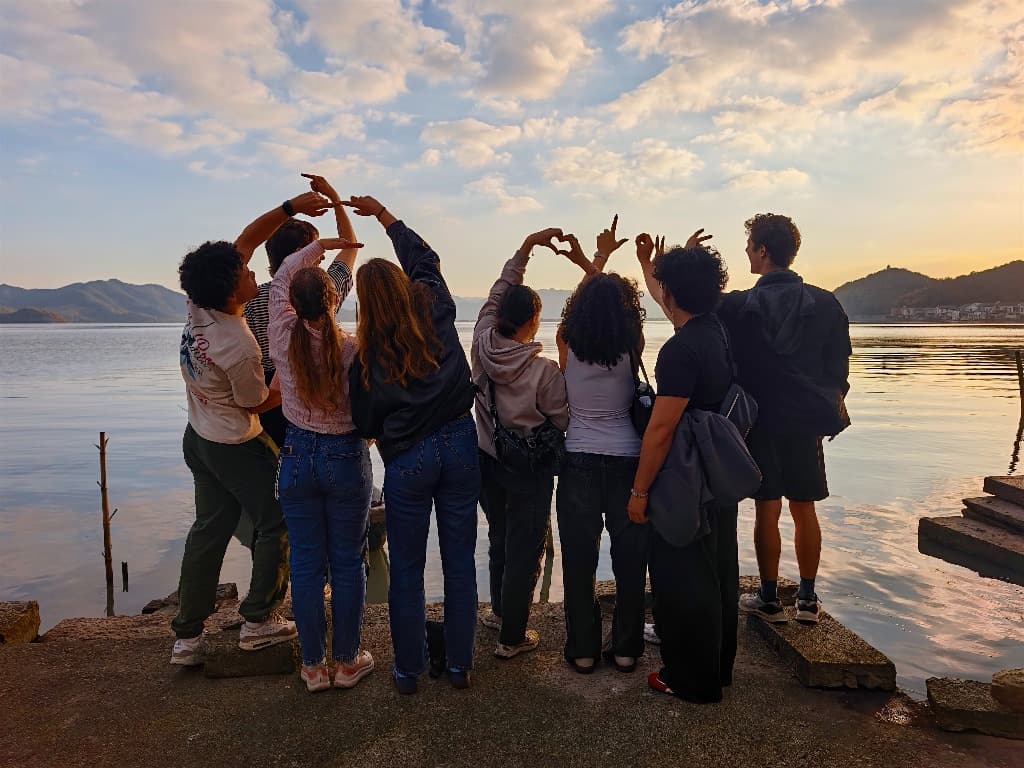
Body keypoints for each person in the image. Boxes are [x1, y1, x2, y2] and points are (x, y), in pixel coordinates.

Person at [171, 190, 335, 666]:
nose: (252, 273)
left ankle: (187, 636)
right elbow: (258, 402)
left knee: (209, 530)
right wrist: (289, 368)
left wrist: (289, 208)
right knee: (278, 520)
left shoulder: (199, 307)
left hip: (198, 438)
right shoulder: (238, 345)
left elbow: (245, 239)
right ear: (230, 293)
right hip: (237, 443)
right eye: (244, 274)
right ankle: (259, 620)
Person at [344, 195, 479, 694]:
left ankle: (408, 671)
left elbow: (364, 422)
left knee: (405, 568)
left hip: (407, 460)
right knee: (460, 562)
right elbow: (426, 258)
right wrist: (384, 216)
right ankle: (460, 665)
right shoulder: (436, 305)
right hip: (460, 443)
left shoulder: (366, 356)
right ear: (403, 285)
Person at [266, 174, 373, 693]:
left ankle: (312, 667)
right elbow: (350, 254)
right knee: (348, 562)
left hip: (296, 454)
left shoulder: (280, 331)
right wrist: (335, 214)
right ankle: (347, 663)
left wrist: (316, 245)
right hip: (345, 456)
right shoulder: (353, 348)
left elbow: (284, 275)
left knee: (306, 563)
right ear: (335, 298)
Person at [717, 214, 851, 624]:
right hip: (807, 420)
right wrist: (824, 405)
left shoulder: (738, 305)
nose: (746, 252)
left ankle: (770, 598)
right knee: (804, 506)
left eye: (749, 246)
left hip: (759, 420)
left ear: (762, 250)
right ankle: (807, 600)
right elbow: (839, 371)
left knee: (767, 508)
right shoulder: (826, 303)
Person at [628, 237, 738, 703]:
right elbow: (671, 302)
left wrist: (639, 492)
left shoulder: (679, 351)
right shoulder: (716, 331)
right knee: (718, 570)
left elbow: (660, 429)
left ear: (672, 292)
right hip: (717, 472)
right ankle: (718, 668)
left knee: (682, 576)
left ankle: (691, 679)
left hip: (686, 476)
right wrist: (649, 265)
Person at [555, 215, 650, 675]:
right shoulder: (633, 343)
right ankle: (627, 649)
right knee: (630, 561)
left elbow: (587, 304)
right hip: (629, 460)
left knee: (579, 561)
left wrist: (597, 260)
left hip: (578, 460)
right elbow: (611, 305)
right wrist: (602, 263)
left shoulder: (566, 340)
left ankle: (584, 649)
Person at [472, 228, 569, 660]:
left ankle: (497, 613)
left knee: (499, 537)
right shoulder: (543, 370)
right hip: (528, 469)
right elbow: (563, 419)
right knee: (526, 551)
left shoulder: (480, 345)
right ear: (533, 320)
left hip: (486, 459)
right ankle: (512, 637)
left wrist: (525, 248)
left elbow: (496, 294)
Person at [243, 173, 355, 448]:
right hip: (315, 405)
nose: (322, 256)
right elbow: (350, 246)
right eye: (318, 251)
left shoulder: (249, 300)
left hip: (264, 409)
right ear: (301, 253)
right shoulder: (326, 295)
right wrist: (335, 199)